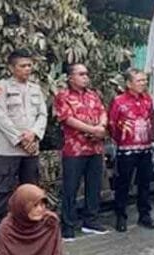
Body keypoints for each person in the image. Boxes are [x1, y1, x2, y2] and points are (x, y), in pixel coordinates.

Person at [0, 49, 47, 244]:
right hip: (8, 150)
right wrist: (21, 139)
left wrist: (34, 134)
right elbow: (1, 117)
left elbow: (43, 115)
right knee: (1, 194)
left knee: (31, 194)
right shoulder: (1, 87)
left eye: (30, 65)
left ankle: (29, 237)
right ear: (12, 68)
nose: (27, 69)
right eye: (23, 66)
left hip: (31, 150)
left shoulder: (35, 88)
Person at [53, 63, 109, 240]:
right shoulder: (63, 96)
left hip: (95, 148)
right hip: (75, 149)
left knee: (94, 185)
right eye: (81, 74)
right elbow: (67, 119)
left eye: (87, 73)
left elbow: (103, 112)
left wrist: (101, 126)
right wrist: (92, 130)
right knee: (71, 187)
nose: (86, 77)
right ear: (70, 78)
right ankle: (68, 225)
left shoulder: (93, 95)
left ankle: (90, 221)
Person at [108, 69, 154, 233]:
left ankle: (145, 214)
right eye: (139, 80)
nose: (143, 83)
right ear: (129, 84)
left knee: (145, 182)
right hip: (126, 149)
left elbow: (151, 118)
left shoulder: (148, 100)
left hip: (145, 148)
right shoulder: (118, 101)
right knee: (123, 183)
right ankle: (121, 215)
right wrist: (121, 139)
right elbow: (112, 124)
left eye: (145, 80)